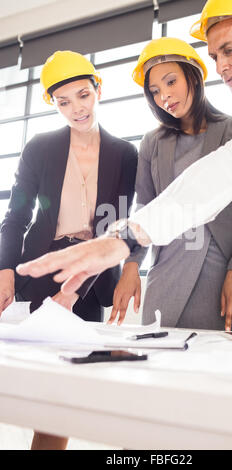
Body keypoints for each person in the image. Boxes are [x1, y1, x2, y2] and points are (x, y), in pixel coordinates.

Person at [17, 0, 232, 334]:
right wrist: (131, 262)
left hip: (221, 269)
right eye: (215, 56)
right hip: (172, 270)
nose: (222, 65)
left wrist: (123, 238)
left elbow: (222, 175)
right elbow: (147, 200)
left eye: (229, 49)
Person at [0, 50, 137, 449]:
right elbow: (16, 216)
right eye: (63, 102)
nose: (76, 108)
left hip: (92, 278)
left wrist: (128, 267)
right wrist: (5, 268)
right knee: (46, 391)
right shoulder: (39, 148)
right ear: (53, 104)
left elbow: (124, 225)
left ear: (98, 90)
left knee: (75, 387)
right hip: (44, 269)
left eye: (83, 95)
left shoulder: (125, 154)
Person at [109, 37, 232, 331]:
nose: (164, 96)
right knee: (161, 368)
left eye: (170, 82)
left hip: (226, 276)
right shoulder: (152, 143)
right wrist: (131, 265)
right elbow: (144, 207)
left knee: (230, 368)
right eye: (154, 91)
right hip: (167, 274)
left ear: (192, 75)